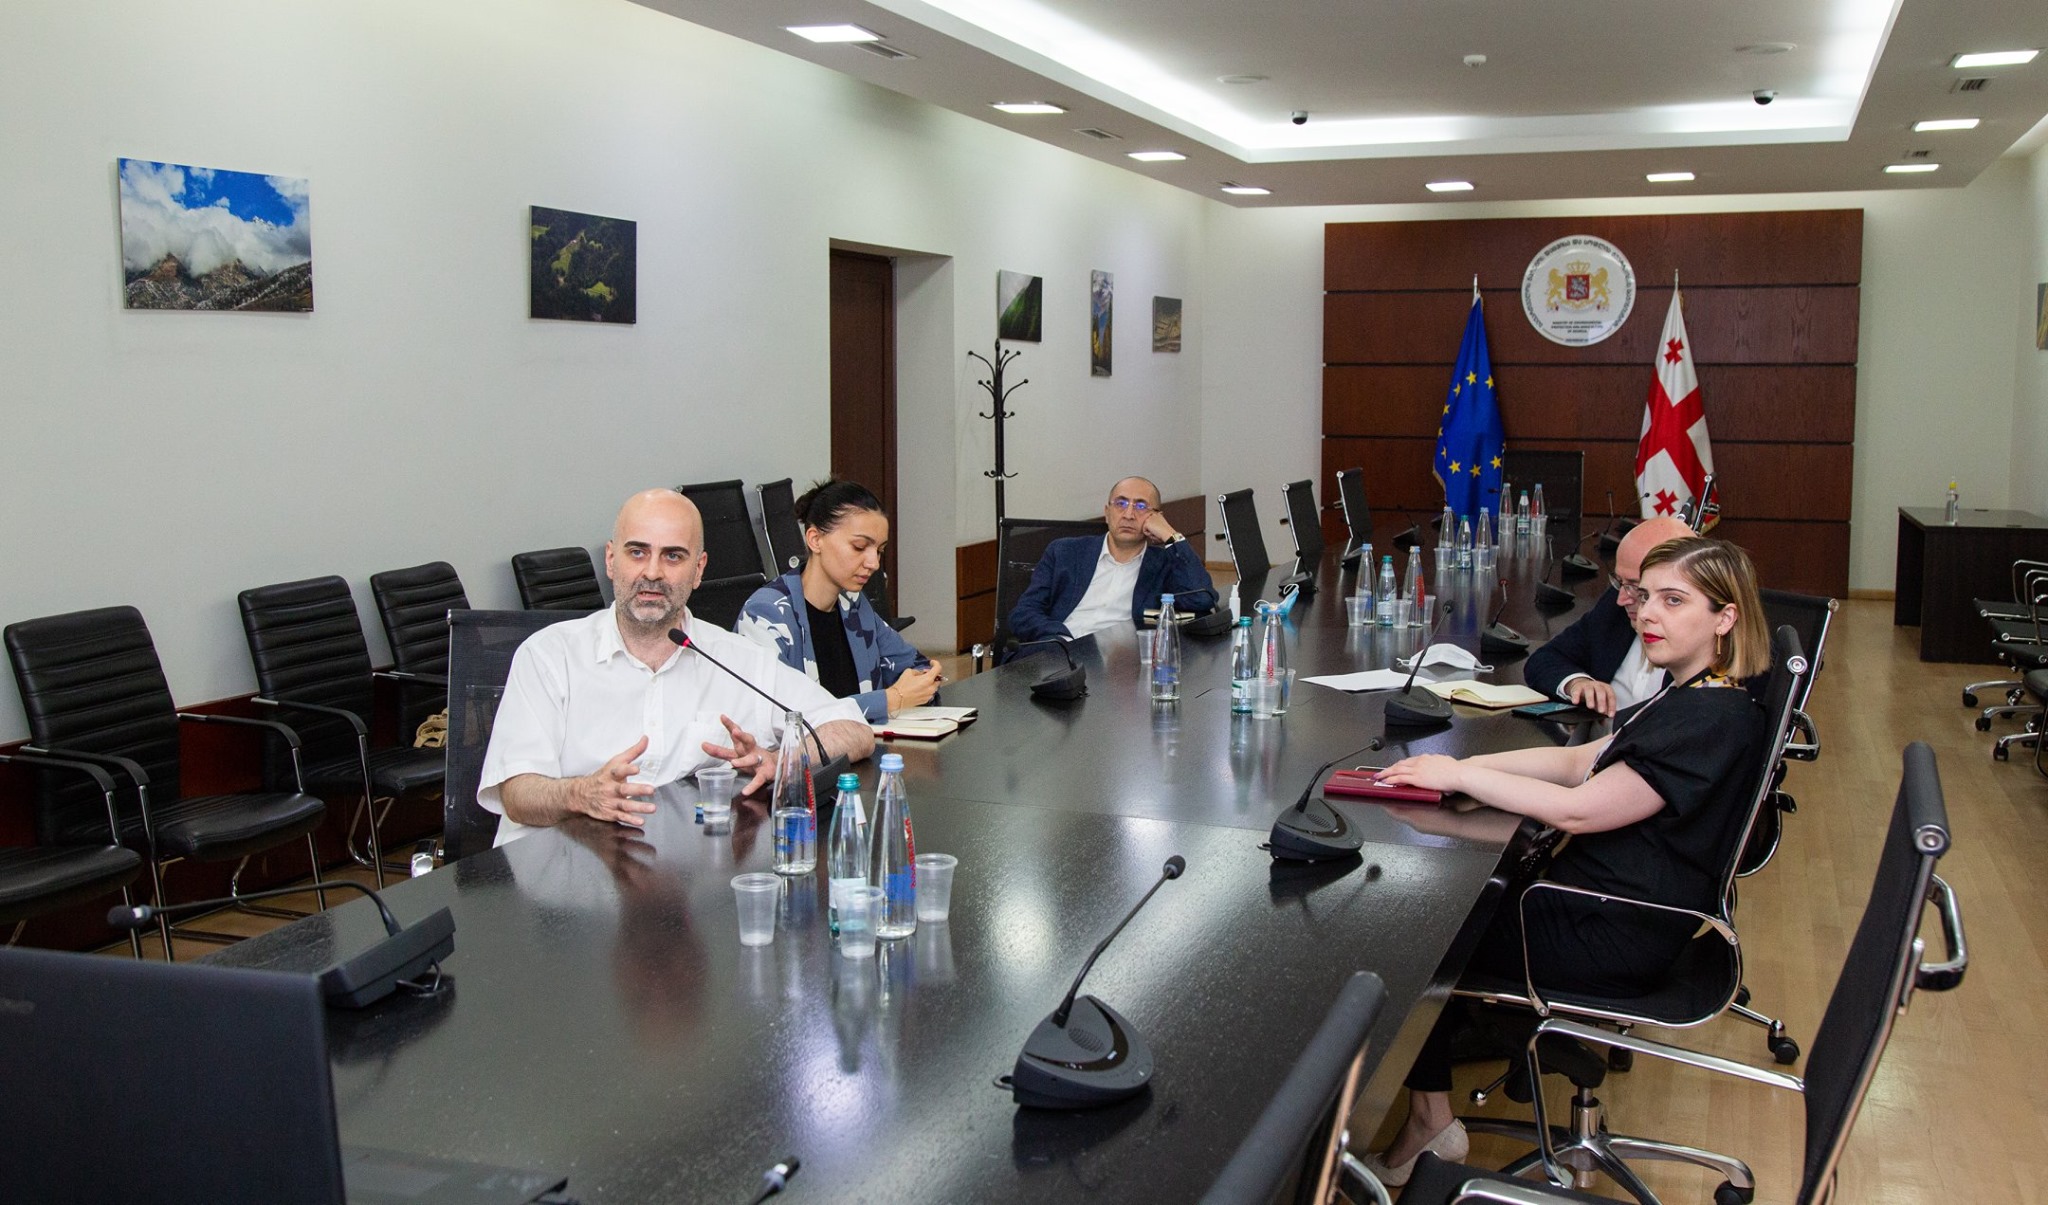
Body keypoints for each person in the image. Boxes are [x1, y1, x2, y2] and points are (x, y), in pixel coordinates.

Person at [1359, 536, 1773, 1185]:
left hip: (1606, 931)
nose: (1647, 613)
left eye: (1673, 601)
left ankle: (1425, 1120)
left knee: (1416, 923)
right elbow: (1581, 759)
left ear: (1726, 617)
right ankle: (1430, 1102)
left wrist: (1460, 775)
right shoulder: (1694, 693)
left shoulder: (1708, 720)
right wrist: (1464, 768)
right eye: (1644, 597)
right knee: (1446, 893)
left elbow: (1579, 809)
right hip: (1606, 906)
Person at [478, 489, 874, 846]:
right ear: (611, 561)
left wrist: (785, 759)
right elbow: (517, 794)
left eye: (673, 556)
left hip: (681, 875)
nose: (652, 572)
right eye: (637, 553)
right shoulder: (549, 656)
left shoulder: (738, 660)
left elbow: (854, 730)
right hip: (559, 873)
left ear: (698, 569)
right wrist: (582, 794)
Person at [737, 479, 941, 722]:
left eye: (879, 551)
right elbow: (781, 715)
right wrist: (891, 699)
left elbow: (917, 666)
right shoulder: (766, 614)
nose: (874, 563)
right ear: (815, 539)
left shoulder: (852, 604)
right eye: (859, 547)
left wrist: (924, 681)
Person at [1006, 476, 1217, 646]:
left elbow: (1201, 600)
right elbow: (1024, 613)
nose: (1128, 514)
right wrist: (1061, 640)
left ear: (1156, 518)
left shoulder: (1164, 563)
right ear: (1107, 513)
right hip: (1057, 651)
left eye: (1141, 506)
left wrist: (1170, 535)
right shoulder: (1065, 552)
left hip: (1120, 666)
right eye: (1120, 504)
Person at [1524, 514, 1695, 716]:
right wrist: (1577, 683)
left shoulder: (1704, 649)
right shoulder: (1616, 606)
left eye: (1636, 586)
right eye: (1619, 581)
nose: (1621, 599)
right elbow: (1545, 659)